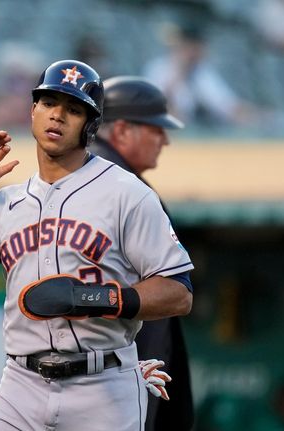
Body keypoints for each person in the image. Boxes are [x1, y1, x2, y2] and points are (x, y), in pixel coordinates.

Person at [0, 60, 194, 431]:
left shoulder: (128, 193)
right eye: (49, 103)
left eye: (73, 109)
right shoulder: (6, 204)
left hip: (103, 384)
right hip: (22, 383)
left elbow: (179, 293)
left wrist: (93, 298)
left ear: (91, 125)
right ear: (33, 110)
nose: (57, 116)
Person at [89, 76, 194, 431]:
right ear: (121, 130)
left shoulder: (88, 175)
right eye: (155, 129)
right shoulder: (125, 187)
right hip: (119, 368)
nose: (164, 139)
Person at [143, 22, 258, 129]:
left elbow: (228, 107)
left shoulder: (201, 72)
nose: (195, 52)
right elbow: (157, 109)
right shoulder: (158, 68)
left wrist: (258, 116)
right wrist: (179, 73)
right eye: (190, 46)